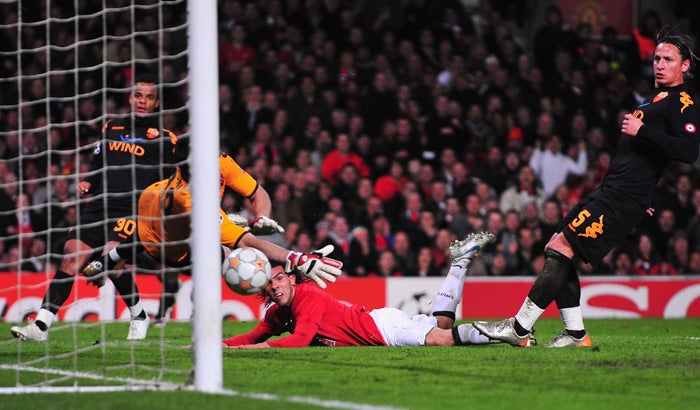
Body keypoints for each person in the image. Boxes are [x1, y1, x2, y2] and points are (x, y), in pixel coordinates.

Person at [474, 29, 699, 347]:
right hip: (616, 190)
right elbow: (650, 158)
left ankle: (520, 327)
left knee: (562, 248)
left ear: (685, 66)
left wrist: (642, 130)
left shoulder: (683, 102)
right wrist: (647, 188)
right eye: (657, 58)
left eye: (669, 60)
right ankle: (575, 333)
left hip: (622, 196)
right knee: (557, 246)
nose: (660, 65)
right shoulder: (655, 99)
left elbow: (689, 151)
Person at [80, 141, 343, 324]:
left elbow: (257, 192)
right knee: (223, 254)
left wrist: (261, 217)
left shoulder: (219, 163)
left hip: (158, 205)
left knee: (221, 245)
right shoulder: (188, 199)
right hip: (165, 243)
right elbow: (249, 241)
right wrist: (295, 258)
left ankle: (109, 259)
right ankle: (194, 313)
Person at [11, 73, 180, 342]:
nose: (142, 101)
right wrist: (89, 182)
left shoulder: (165, 138)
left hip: (134, 209)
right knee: (71, 253)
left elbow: (173, 180)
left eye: (149, 97)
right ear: (130, 97)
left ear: (156, 104)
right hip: (101, 204)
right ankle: (41, 326)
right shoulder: (111, 127)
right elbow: (98, 164)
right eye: (138, 95)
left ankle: (138, 316)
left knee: (111, 256)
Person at [222, 232, 535, 348]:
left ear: (292, 279)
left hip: (381, 330)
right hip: (381, 319)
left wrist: (256, 350)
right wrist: (224, 345)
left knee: (442, 339)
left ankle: (508, 329)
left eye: (280, 278)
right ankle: (459, 263)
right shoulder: (278, 313)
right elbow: (254, 335)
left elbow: (301, 340)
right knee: (443, 325)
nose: (275, 286)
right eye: (270, 282)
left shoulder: (308, 296)